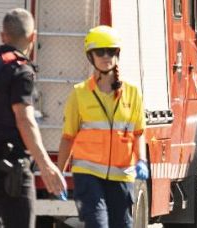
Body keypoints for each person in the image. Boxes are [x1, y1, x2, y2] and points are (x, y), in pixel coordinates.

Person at [0, 9, 66, 228]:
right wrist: (46, 165)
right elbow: (25, 119)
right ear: (33, 37)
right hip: (12, 167)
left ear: (2, 36)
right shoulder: (20, 70)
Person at [57, 26, 146, 228]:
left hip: (121, 175)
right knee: (98, 225)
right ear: (91, 56)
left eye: (111, 51)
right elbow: (68, 137)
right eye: (100, 52)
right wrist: (58, 174)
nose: (106, 56)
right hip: (87, 174)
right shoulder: (79, 93)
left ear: (118, 54)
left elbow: (139, 132)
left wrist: (142, 160)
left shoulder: (132, 92)